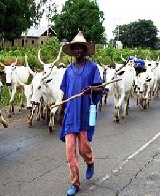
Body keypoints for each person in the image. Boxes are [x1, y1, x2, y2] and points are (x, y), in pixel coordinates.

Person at [57, 31, 103, 196]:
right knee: (70, 152)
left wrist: (92, 88)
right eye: (74, 48)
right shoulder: (68, 71)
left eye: (80, 48)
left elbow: (101, 88)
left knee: (84, 149)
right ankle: (74, 184)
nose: (77, 51)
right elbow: (65, 93)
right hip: (70, 115)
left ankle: (90, 162)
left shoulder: (92, 68)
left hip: (84, 114)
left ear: (84, 50)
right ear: (72, 51)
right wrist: (61, 113)